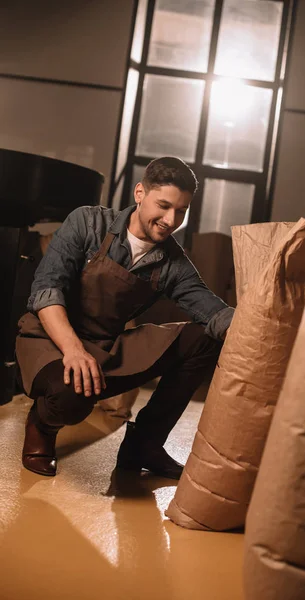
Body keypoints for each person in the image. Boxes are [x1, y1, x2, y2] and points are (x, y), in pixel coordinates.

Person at [16, 156, 234, 479]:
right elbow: (46, 291)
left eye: (182, 211)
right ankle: (41, 425)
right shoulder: (87, 223)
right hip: (49, 338)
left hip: (104, 349)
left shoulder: (173, 262)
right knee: (72, 391)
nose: (171, 219)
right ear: (139, 193)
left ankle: (143, 445)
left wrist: (266, 326)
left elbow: (215, 313)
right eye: (164, 205)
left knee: (204, 339)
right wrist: (74, 351)